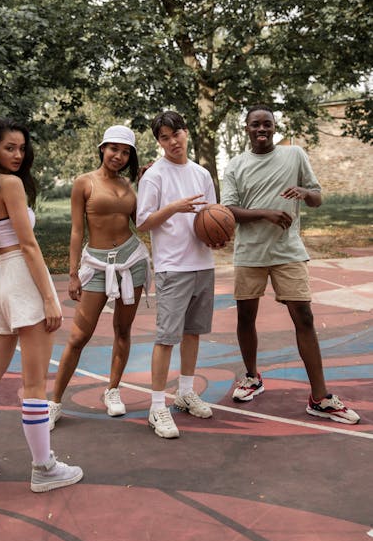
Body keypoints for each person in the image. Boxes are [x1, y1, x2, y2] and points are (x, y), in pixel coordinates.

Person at [0, 118, 84, 492]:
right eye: (9, 147)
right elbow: (28, 245)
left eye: (22, 148)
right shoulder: (10, 184)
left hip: (0, 282)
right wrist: (49, 296)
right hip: (22, 280)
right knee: (35, 385)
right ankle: (44, 468)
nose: (17, 154)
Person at [221, 104, 360, 424]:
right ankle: (252, 376)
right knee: (246, 316)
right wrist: (265, 213)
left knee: (305, 317)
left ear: (274, 126)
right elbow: (228, 210)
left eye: (267, 124)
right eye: (255, 124)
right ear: (246, 129)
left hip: (288, 251)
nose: (261, 129)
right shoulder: (236, 165)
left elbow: (318, 197)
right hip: (250, 253)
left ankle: (320, 396)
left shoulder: (294, 155)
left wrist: (304, 192)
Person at [48, 125, 151, 429]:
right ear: (102, 148)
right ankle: (54, 402)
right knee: (79, 336)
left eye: (125, 152)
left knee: (123, 330)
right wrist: (73, 273)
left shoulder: (130, 187)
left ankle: (113, 390)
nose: (118, 156)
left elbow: (143, 224)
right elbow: (77, 230)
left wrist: (149, 184)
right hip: (96, 264)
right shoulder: (85, 183)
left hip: (131, 261)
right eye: (113, 149)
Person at [136, 111, 217, 439]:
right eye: (165, 138)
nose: (173, 142)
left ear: (186, 132)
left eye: (176, 134)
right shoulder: (154, 176)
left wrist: (218, 235)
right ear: (159, 142)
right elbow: (142, 222)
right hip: (173, 267)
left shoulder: (202, 173)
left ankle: (184, 391)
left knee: (193, 332)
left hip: (203, 264)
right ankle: (157, 406)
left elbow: (213, 215)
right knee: (166, 338)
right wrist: (174, 208)